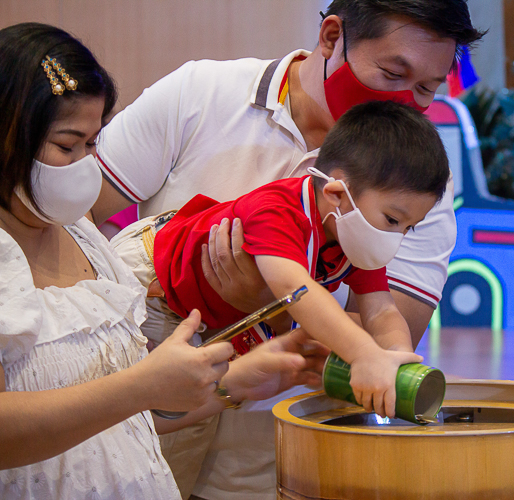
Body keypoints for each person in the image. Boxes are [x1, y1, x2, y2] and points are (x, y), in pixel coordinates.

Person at [89, 1, 484, 498]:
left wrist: (389, 356)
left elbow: (382, 317)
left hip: (270, 447)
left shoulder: (411, 186)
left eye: (427, 88)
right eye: (392, 73)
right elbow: (75, 218)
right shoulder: (208, 102)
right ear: (332, 36)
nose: (406, 101)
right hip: (156, 313)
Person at [0, 23, 326, 499]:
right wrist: (141, 387)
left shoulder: (86, 239)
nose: (86, 163)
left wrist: (240, 379)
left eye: (93, 144)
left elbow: (119, 417)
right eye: (67, 146)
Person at [112, 100, 449, 418]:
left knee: (187, 412)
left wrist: (396, 359)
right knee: (147, 425)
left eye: (409, 229)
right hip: (152, 282)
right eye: (392, 220)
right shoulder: (278, 210)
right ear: (335, 194)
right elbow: (295, 289)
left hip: (203, 314)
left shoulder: (353, 236)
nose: (397, 237)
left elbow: (382, 309)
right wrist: (364, 354)